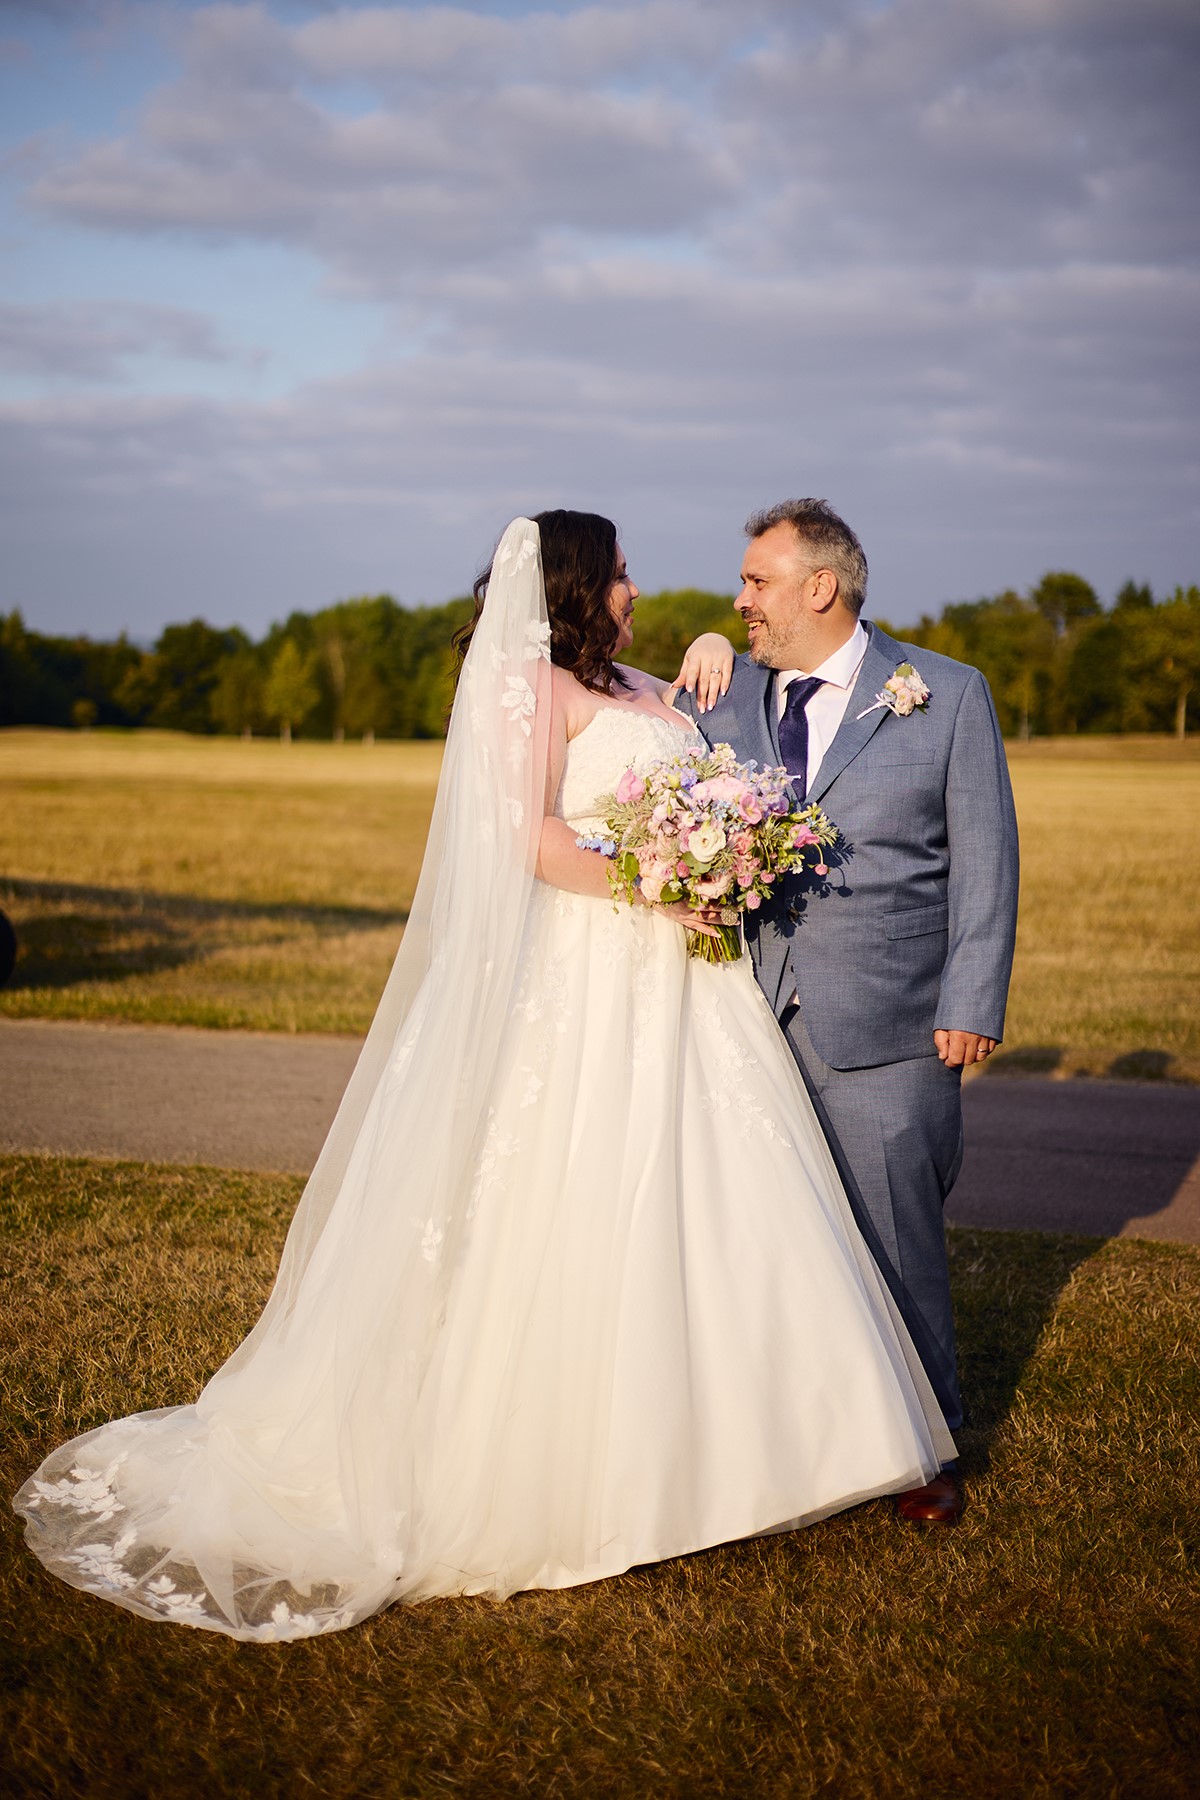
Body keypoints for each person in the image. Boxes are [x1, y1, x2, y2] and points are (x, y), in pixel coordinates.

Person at [14, 512, 953, 1642]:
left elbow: (700, 722)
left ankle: (767, 1453)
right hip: (597, 972)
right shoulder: (530, 689)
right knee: (579, 1201)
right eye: (620, 575)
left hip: (689, 987)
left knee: (716, 1201)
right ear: (578, 585)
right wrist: (663, 879)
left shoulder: (640, 684)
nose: (636, 589)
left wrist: (710, 653)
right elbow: (533, 840)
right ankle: (589, 1471)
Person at [673, 499, 1019, 1523]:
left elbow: (988, 860)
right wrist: (701, 646)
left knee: (895, 1237)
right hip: (741, 1020)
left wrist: (971, 999)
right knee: (762, 1244)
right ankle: (793, 1448)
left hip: (892, 1022)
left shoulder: (944, 694)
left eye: (757, 582)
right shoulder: (725, 697)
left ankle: (927, 1451)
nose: (741, 599)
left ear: (820, 586)